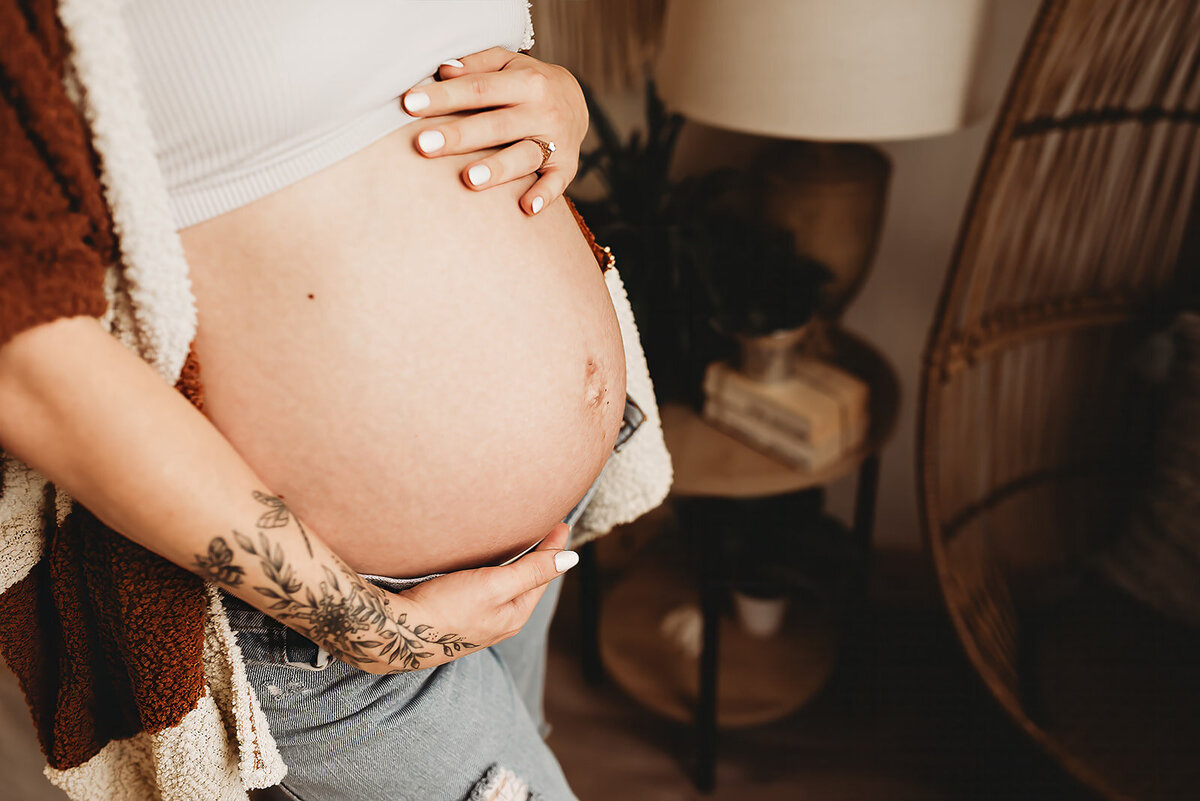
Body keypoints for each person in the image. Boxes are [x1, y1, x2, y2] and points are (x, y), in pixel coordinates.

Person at [0, 2, 673, 800]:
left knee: (522, 731)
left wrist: (557, 97)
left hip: (532, 532)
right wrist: (367, 625)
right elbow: (25, 357)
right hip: (323, 610)